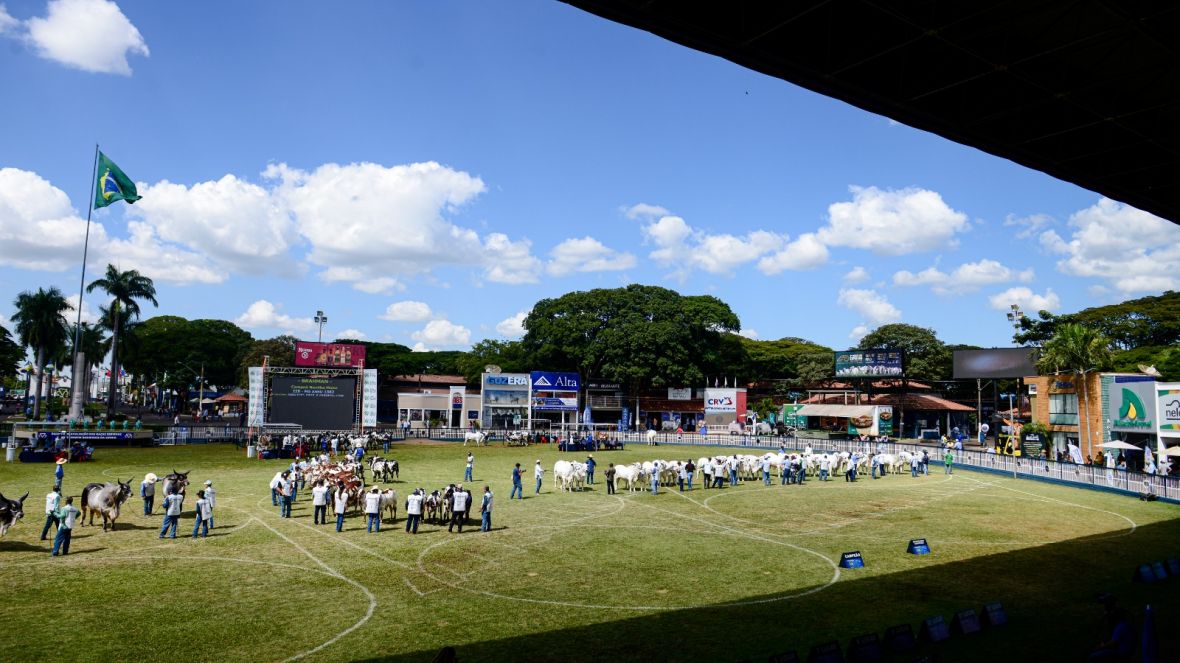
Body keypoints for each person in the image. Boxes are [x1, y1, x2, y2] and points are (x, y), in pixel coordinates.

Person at [1089, 595, 1134, 660]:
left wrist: (1101, 647)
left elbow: (1113, 643)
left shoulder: (1120, 626)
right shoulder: (1125, 624)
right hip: (1125, 650)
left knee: (1093, 657)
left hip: (1122, 654)